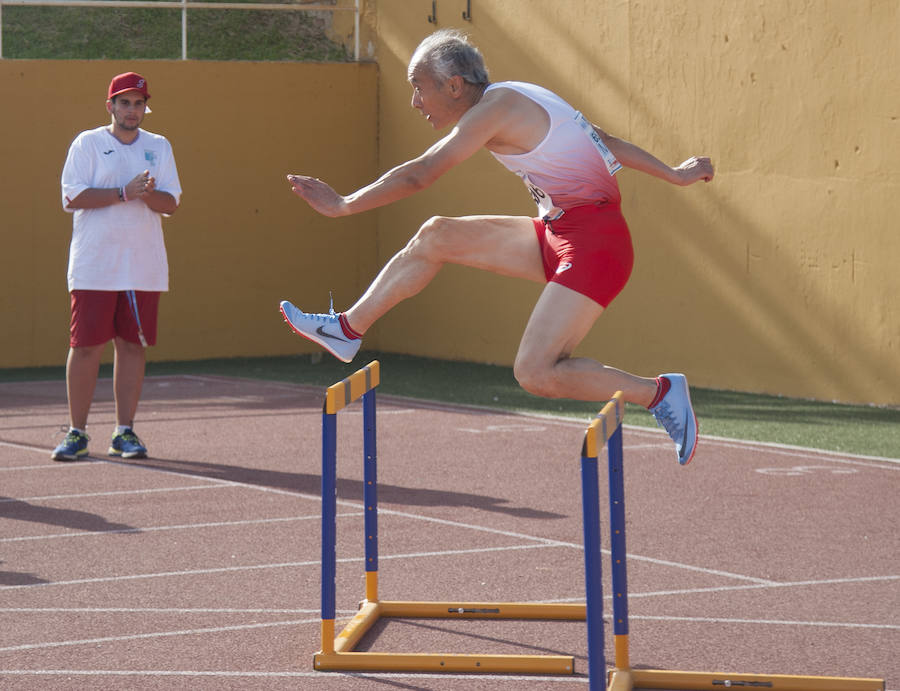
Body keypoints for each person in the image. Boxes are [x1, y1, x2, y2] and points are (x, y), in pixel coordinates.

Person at [280, 30, 714, 465]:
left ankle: (658, 392)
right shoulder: (516, 96)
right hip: (558, 233)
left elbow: (422, 174)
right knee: (437, 236)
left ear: (453, 85)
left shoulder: (497, 109)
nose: (414, 102)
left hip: (598, 245)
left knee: (535, 372)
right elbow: (603, 141)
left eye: (419, 87)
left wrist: (343, 205)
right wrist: (673, 175)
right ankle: (347, 329)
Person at [52, 72, 182, 462]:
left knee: (131, 346)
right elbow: (72, 196)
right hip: (95, 264)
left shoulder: (159, 146)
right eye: (124, 103)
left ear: (145, 108)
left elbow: (171, 202)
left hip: (143, 266)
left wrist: (145, 194)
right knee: (86, 346)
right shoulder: (88, 143)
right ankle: (77, 433)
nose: (131, 110)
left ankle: (124, 432)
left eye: (138, 103)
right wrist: (124, 192)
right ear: (110, 106)